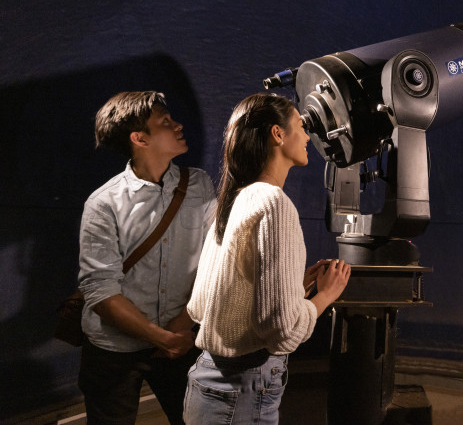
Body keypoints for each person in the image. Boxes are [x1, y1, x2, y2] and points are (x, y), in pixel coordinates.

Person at [184, 93, 351, 425]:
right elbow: (283, 331)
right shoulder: (274, 203)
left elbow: (202, 305)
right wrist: (325, 296)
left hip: (209, 382)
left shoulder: (235, 199)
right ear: (278, 134)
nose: (306, 137)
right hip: (242, 392)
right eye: (301, 127)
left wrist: (291, 289)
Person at [78, 91, 217, 424]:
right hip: (113, 349)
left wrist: (183, 323)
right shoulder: (103, 204)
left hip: (180, 338)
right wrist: (162, 337)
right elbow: (101, 292)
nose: (178, 125)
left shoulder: (198, 184)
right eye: (165, 122)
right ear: (139, 138)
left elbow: (213, 259)